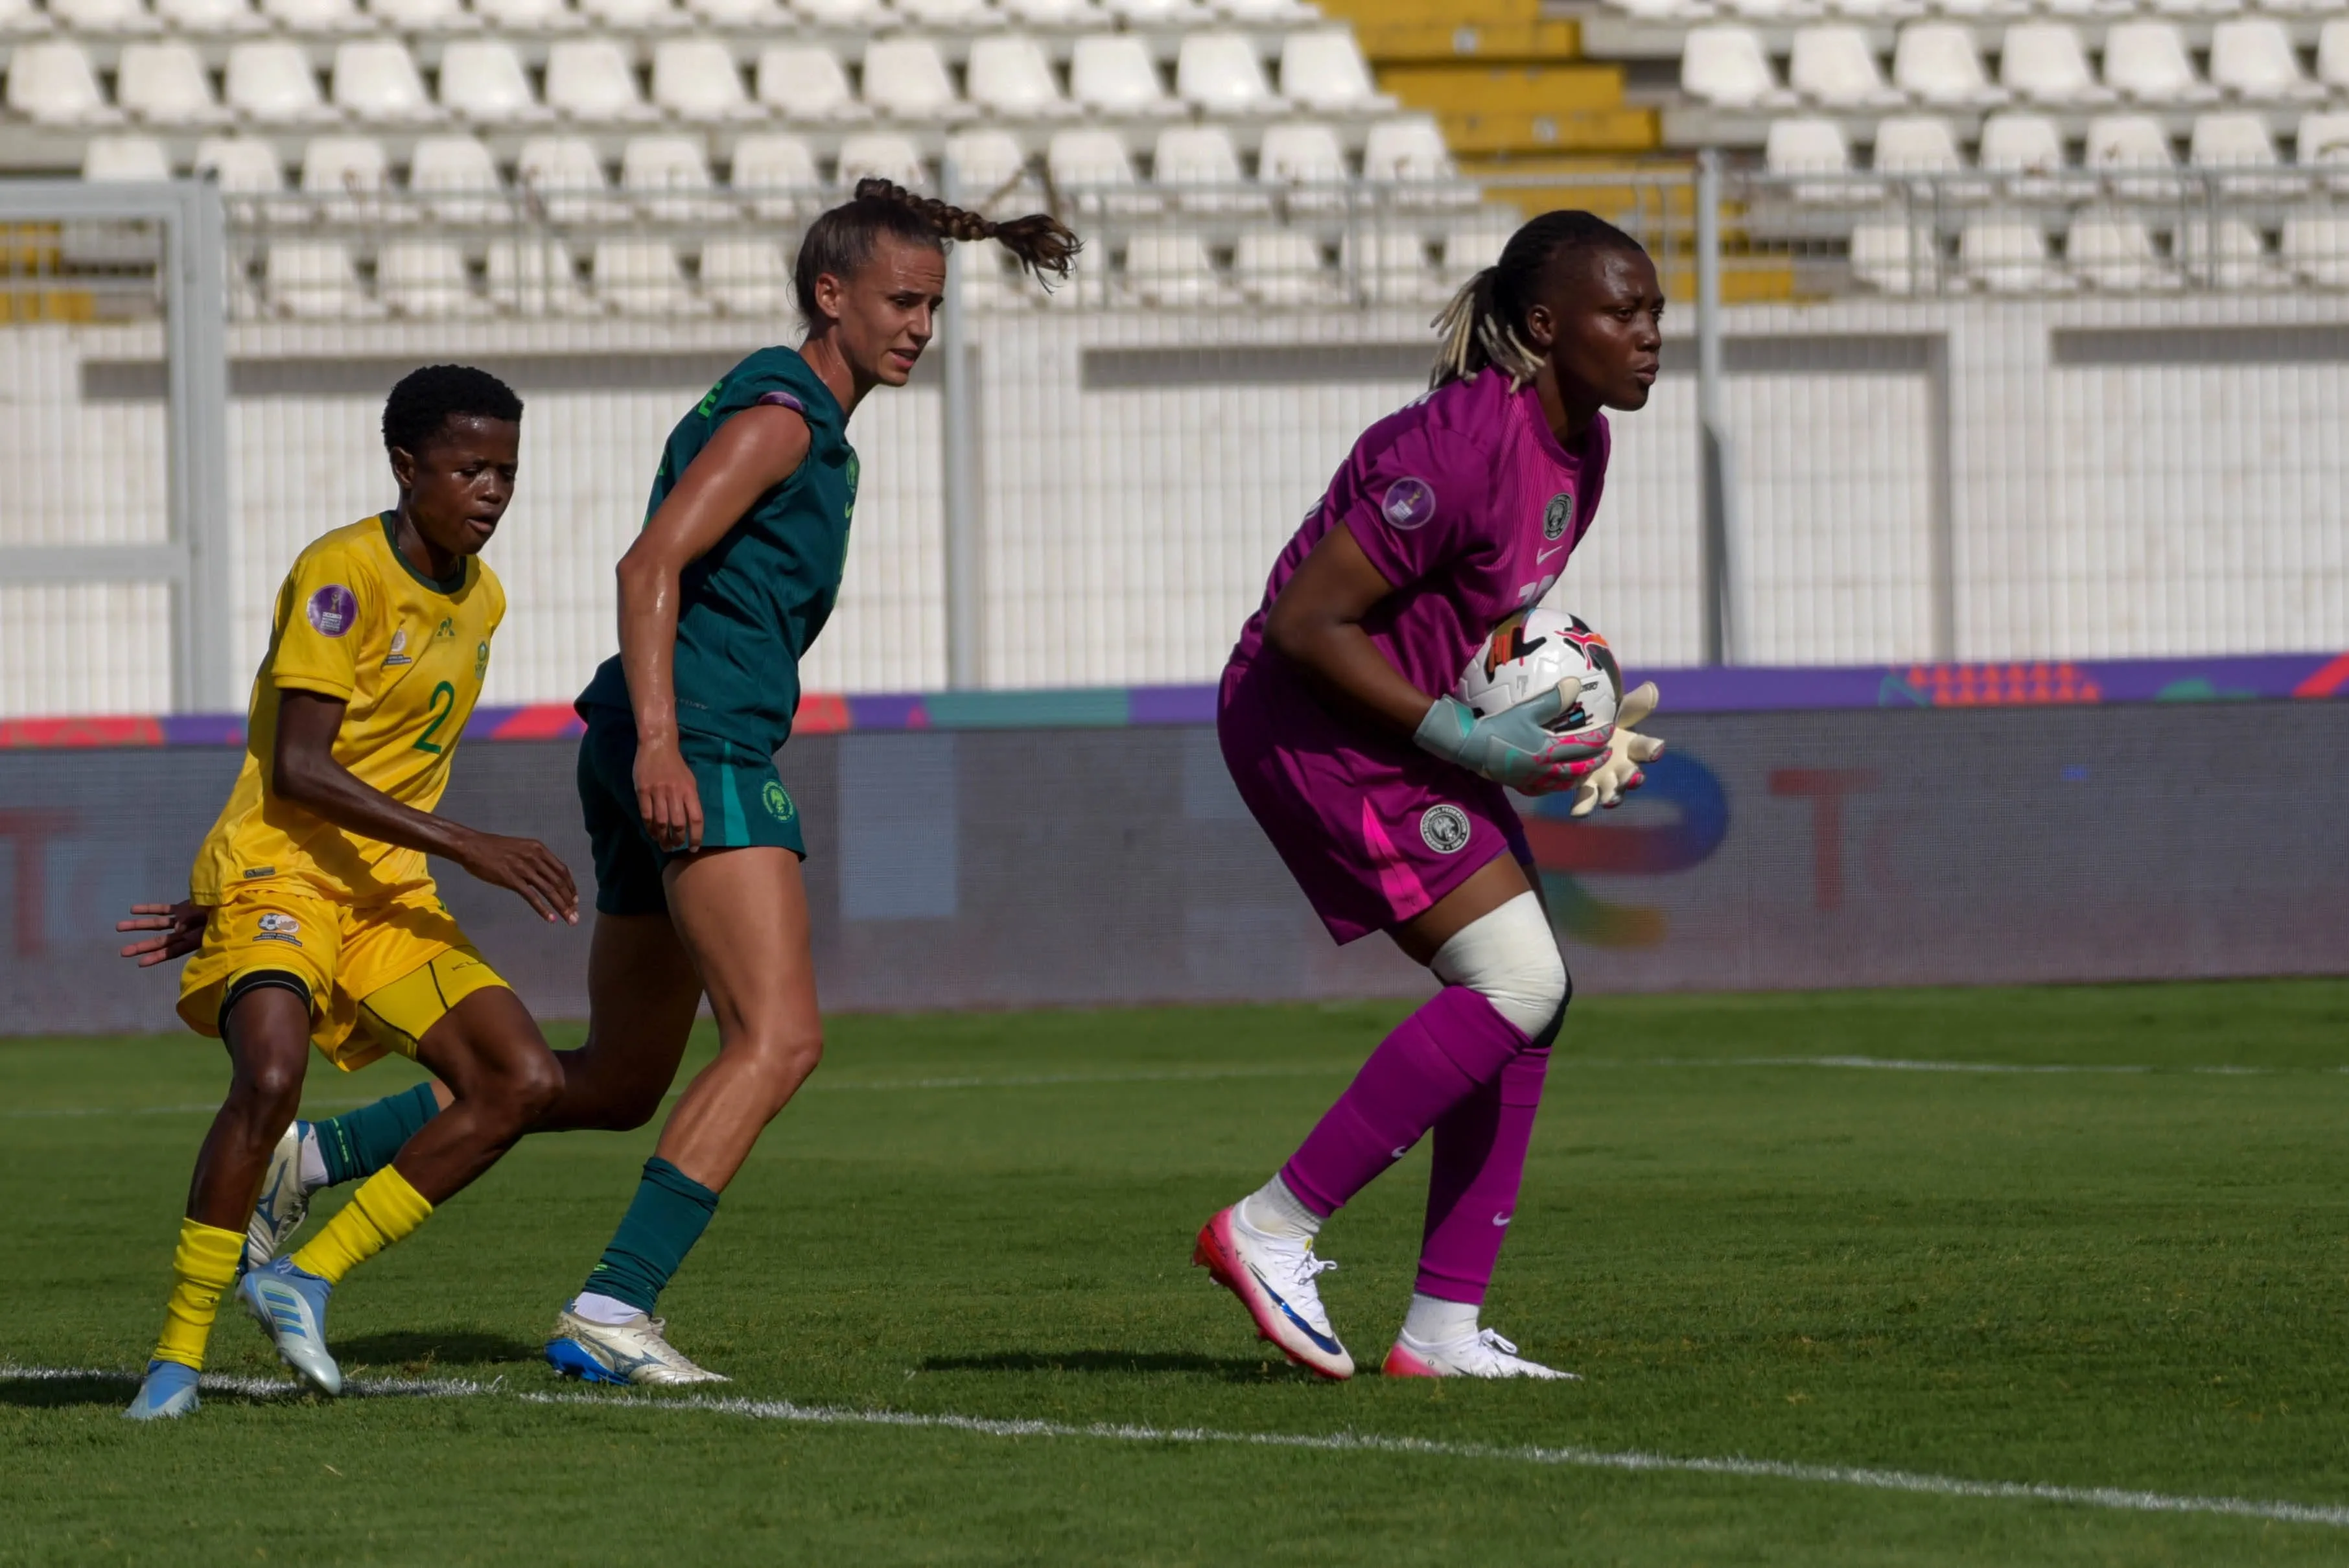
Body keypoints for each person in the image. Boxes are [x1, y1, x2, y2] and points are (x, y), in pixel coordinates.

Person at [194, 180, 1081, 1387]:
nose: (920, 325)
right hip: (693, 742)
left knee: (613, 1080)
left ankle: (312, 1161)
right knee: (779, 1038)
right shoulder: (782, 415)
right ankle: (615, 1304)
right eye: (901, 300)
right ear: (832, 295)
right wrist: (665, 740)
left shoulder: (792, 408)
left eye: (931, 304)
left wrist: (645, 735)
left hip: (644, 735)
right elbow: (650, 559)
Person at [1193, 211, 1668, 1382]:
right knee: (1520, 978)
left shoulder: (1584, 447)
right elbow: (1308, 624)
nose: (1652, 334)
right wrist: (1465, 734)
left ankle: (1442, 1331)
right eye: (1626, 312)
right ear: (1548, 328)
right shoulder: (1456, 447)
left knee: (1532, 998)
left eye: (1656, 310)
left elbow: (1476, 620)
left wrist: (1573, 720)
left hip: (1400, 727)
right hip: (1313, 727)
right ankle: (1270, 1227)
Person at [117, 366, 578, 1420]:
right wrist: (467, 843)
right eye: (470, 468)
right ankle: (177, 1360)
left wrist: (436, 853)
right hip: (281, 867)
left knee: (523, 1079)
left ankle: (303, 1276)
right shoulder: (341, 573)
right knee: (272, 1072)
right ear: (407, 466)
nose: (493, 490)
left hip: (384, 895)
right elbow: (301, 768)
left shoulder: (485, 598)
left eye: (507, 470)